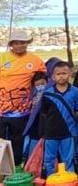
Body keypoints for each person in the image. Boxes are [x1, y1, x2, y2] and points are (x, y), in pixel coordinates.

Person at [24, 61, 78, 176]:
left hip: (68, 132)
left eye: (64, 73)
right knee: (49, 159)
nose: (61, 76)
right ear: (52, 77)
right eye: (58, 74)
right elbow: (44, 113)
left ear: (70, 74)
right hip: (50, 133)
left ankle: (69, 180)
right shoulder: (47, 93)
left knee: (68, 158)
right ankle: (50, 180)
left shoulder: (75, 92)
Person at [0, 30, 46, 167]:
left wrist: (40, 80)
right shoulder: (2, 58)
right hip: (1, 108)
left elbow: (42, 77)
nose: (20, 45)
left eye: (23, 43)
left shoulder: (35, 60)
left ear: (27, 44)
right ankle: (2, 170)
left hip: (22, 110)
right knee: (1, 141)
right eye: (16, 43)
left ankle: (16, 167)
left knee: (18, 140)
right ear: (11, 44)